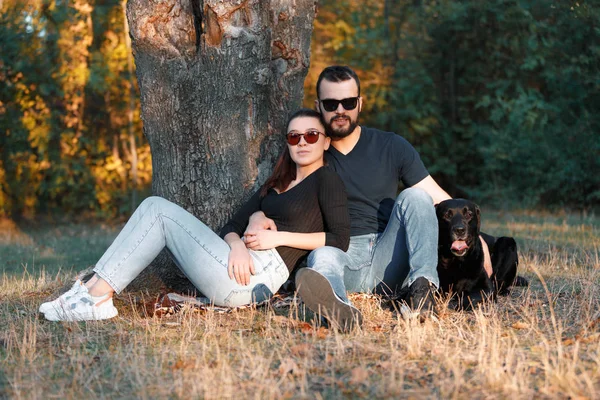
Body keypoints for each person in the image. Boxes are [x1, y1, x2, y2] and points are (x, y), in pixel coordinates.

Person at [39, 108, 350, 322]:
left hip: (258, 277)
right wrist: (238, 244)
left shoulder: (326, 179)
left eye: (311, 135)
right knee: (154, 208)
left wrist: (275, 237)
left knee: (157, 210)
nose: (302, 142)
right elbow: (231, 226)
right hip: (236, 262)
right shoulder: (276, 183)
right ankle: (92, 292)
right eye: (294, 137)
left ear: (324, 140)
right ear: (287, 143)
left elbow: (339, 238)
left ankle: (94, 297)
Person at [246, 66, 491, 327]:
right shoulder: (311, 150)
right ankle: (340, 308)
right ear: (318, 106)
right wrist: (257, 216)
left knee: (416, 197)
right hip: (343, 251)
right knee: (323, 256)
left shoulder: (391, 146)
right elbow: (279, 194)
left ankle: (422, 290)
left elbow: (439, 199)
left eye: (348, 102)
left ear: (360, 104)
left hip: (390, 254)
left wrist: (480, 244)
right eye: (331, 103)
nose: (340, 110)